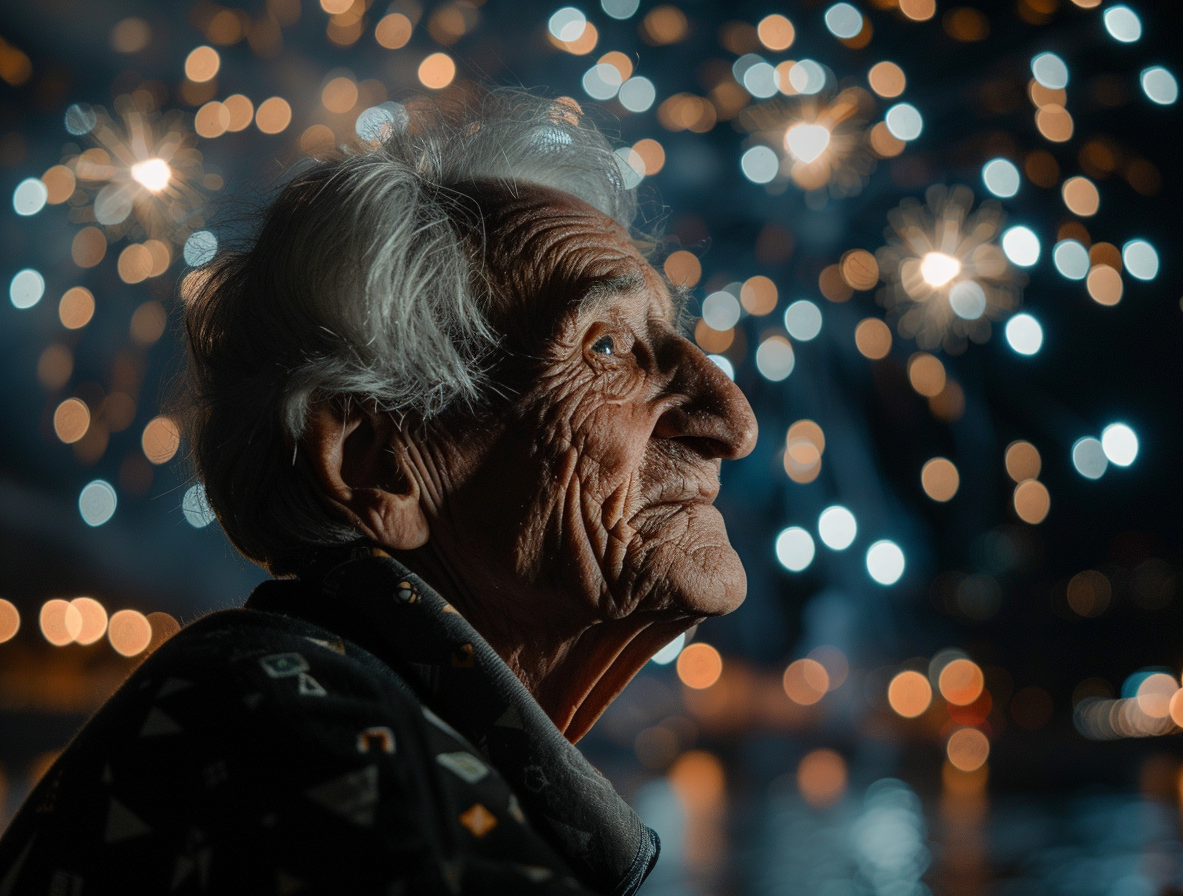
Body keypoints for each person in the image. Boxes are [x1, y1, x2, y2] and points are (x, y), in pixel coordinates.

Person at [0, 90, 757, 895]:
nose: (731, 419)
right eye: (607, 346)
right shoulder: (314, 755)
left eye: (675, 341)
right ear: (376, 465)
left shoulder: (287, 698)